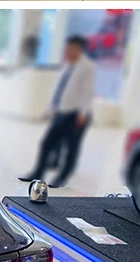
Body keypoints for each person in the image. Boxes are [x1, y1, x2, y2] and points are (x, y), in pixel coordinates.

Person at [19, 35, 97, 188]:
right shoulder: (67, 65)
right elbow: (60, 90)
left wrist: (83, 113)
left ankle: (62, 177)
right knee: (47, 143)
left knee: (71, 149)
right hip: (62, 112)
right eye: (66, 49)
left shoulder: (88, 67)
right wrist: (51, 109)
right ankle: (38, 173)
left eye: (70, 49)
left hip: (76, 114)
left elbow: (88, 92)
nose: (67, 52)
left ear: (79, 49)